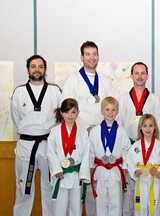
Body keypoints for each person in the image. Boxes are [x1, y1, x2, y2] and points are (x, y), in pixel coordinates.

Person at [61, 40, 115, 215]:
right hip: (79, 135)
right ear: (81, 57)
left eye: (94, 54)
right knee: (79, 180)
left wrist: (99, 128)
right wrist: (86, 127)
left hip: (102, 136)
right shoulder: (73, 80)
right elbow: (67, 107)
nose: (91, 58)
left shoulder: (105, 81)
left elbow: (112, 107)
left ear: (98, 56)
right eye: (88, 54)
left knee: (96, 179)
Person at [11, 55, 62, 216]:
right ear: (28, 69)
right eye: (33, 66)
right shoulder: (19, 92)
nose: (37, 70)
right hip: (26, 144)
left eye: (40, 66)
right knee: (24, 189)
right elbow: (17, 118)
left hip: (48, 143)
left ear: (45, 70)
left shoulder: (54, 91)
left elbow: (61, 117)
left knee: (50, 188)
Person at [118, 62, 160, 216]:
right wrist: (122, 150)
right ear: (131, 75)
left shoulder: (155, 99)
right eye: (136, 73)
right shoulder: (123, 98)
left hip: (150, 150)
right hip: (129, 148)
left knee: (152, 195)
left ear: (147, 76)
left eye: (142, 73)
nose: (139, 76)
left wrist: (159, 147)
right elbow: (119, 126)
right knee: (129, 194)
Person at [47, 98, 91, 216]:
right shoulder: (54, 131)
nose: (70, 115)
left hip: (76, 174)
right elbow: (50, 152)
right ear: (61, 113)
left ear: (78, 112)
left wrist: (83, 173)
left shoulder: (83, 132)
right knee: (59, 208)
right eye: (66, 112)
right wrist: (56, 169)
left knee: (76, 208)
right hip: (61, 173)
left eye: (73, 112)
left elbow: (87, 154)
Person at [89, 96, 130, 216]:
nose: (110, 113)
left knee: (116, 202)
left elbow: (126, 150)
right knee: (100, 202)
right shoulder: (95, 131)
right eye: (107, 109)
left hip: (116, 171)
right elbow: (90, 151)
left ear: (117, 111)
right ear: (101, 111)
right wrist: (91, 167)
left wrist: (125, 167)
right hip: (100, 170)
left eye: (113, 110)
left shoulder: (122, 131)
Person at [126, 114, 160, 216]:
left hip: (154, 179)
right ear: (140, 127)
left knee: (155, 205)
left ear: (155, 127)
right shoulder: (136, 146)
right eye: (144, 126)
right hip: (141, 180)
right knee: (141, 206)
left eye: (151, 126)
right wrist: (135, 170)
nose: (148, 129)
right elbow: (129, 159)